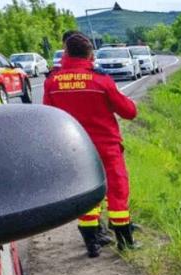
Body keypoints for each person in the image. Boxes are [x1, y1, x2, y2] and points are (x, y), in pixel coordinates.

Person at [43, 32, 138, 257]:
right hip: (106, 146)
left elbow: (49, 115)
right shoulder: (100, 80)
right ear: (90, 54)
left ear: (65, 53)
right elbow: (129, 112)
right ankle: (125, 242)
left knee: (87, 193)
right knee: (117, 190)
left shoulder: (52, 81)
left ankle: (91, 243)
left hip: (75, 149)